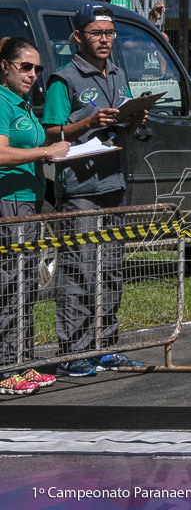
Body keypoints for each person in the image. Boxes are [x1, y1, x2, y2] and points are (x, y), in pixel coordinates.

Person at [41, 2, 150, 377]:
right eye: (96, 33)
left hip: (113, 183)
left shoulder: (118, 74)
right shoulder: (64, 79)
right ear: (78, 37)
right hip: (80, 188)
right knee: (79, 269)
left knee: (112, 267)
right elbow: (50, 133)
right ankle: (73, 351)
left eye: (109, 33)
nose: (104, 40)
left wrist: (134, 118)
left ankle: (106, 344)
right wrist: (85, 123)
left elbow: (123, 124)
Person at [0, 37, 70, 395]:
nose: (32, 74)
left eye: (37, 68)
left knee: (25, 286)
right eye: (25, 66)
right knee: (10, 284)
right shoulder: (1, 102)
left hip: (29, 202)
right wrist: (45, 151)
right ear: (5, 67)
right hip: (9, 202)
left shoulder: (24, 105)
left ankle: (21, 363)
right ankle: (6, 369)